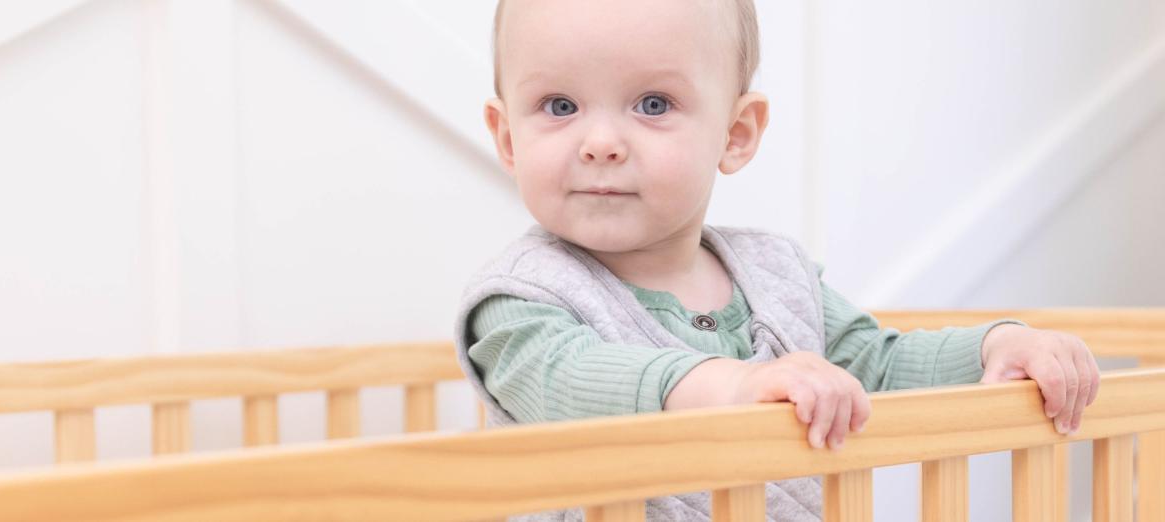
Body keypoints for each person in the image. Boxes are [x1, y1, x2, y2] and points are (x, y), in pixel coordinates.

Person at [454, 0, 1100, 519]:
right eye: (559, 106)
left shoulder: (778, 277)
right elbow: (574, 381)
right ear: (508, 137)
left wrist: (995, 348)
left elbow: (878, 365)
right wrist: (730, 386)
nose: (599, 142)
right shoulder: (518, 304)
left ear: (735, 135)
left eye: (653, 104)